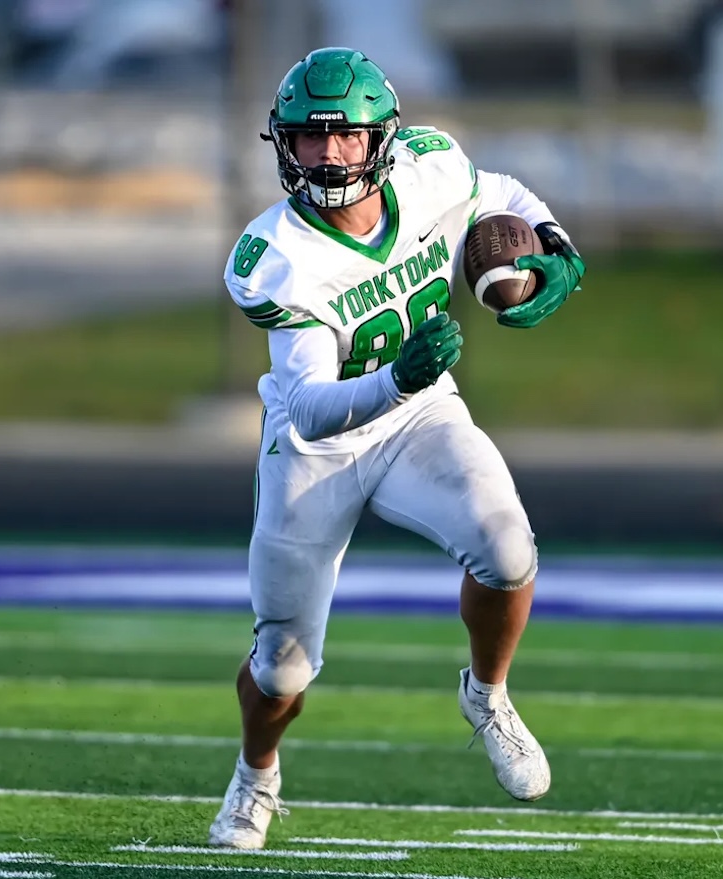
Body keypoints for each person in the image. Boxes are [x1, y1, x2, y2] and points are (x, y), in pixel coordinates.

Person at [209, 46, 586, 850]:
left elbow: (505, 194)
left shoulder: (431, 168)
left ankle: (488, 694)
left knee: (509, 548)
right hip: (317, 450)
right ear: (284, 143)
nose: (329, 152)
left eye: (346, 135)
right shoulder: (275, 255)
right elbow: (310, 408)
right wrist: (397, 378)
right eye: (310, 137)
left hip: (419, 420)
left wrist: (555, 249)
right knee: (281, 667)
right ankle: (257, 773)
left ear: (384, 137)